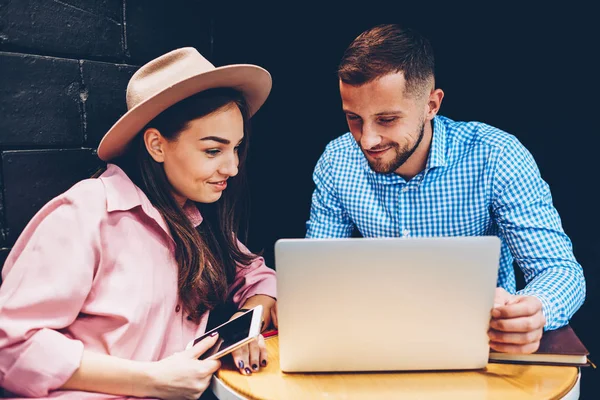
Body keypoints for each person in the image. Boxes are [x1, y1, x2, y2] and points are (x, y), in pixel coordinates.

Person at [0, 47, 277, 399]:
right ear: (157, 145)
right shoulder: (87, 212)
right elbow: (9, 344)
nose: (232, 167)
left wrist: (246, 325)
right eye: (213, 150)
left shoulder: (193, 218)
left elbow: (255, 274)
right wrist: (152, 380)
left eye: (236, 148)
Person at [306, 24, 585, 354]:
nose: (367, 139)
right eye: (354, 118)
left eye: (386, 120)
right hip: (379, 342)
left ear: (431, 105)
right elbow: (316, 274)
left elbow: (560, 271)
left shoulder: (496, 155)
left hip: (481, 345)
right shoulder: (337, 161)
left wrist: (535, 310)